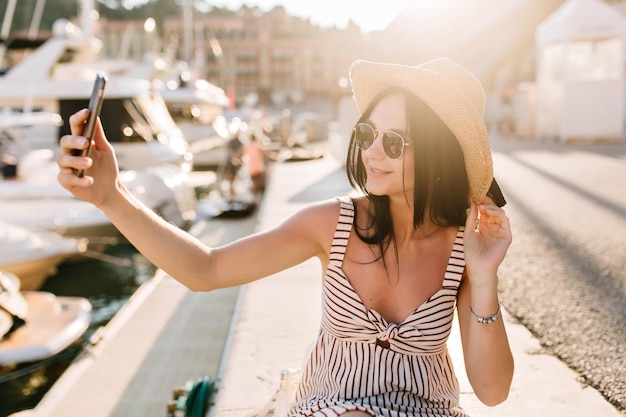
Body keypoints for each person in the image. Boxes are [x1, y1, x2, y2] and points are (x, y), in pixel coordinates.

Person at [57, 57, 514, 417]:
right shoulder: (332, 224)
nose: (373, 152)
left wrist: (485, 276)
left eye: (395, 142)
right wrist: (111, 196)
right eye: (369, 132)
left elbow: (491, 392)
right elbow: (206, 269)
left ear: (438, 156)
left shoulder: (462, 250)